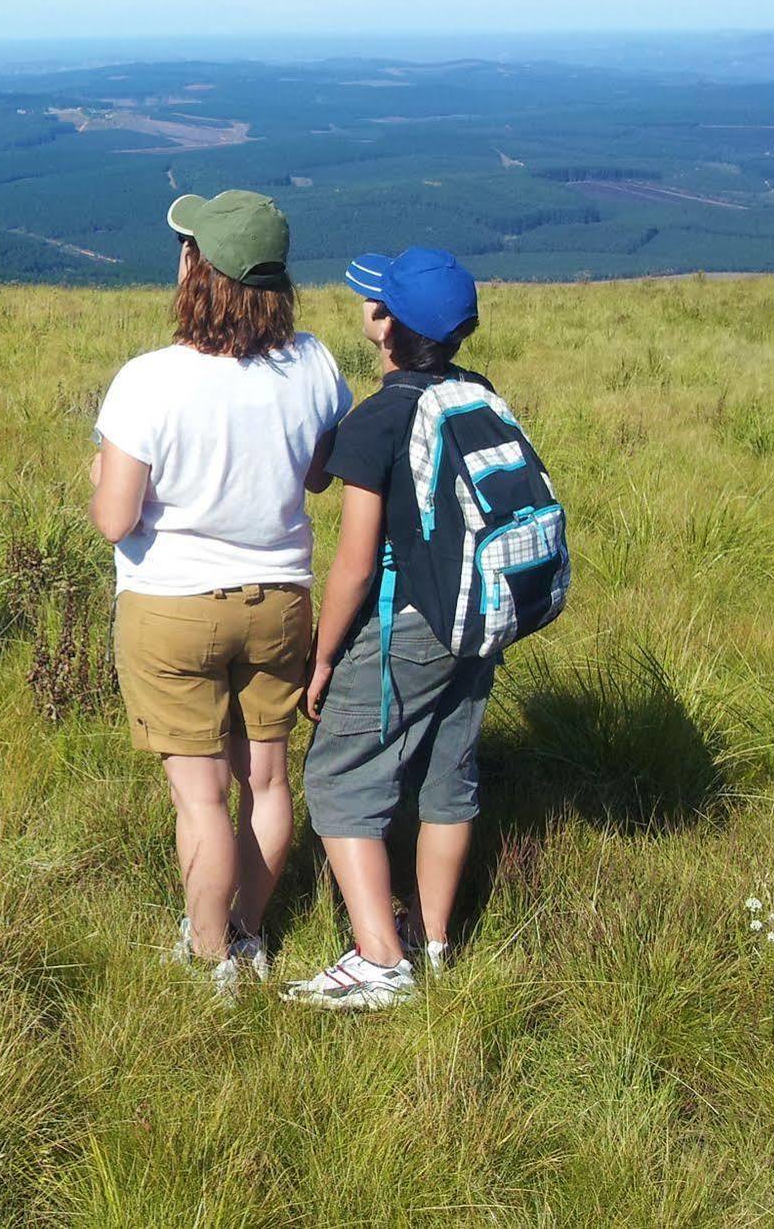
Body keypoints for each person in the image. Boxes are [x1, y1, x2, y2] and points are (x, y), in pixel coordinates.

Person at [90, 191, 353, 995]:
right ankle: (248, 930)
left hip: (169, 606)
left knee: (199, 794)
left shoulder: (148, 380)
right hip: (278, 599)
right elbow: (315, 474)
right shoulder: (313, 363)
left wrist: (101, 466)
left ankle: (211, 956)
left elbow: (113, 519)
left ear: (194, 269)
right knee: (266, 781)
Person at [284, 247, 493, 1011]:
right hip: (473, 615)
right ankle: (434, 945)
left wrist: (323, 656)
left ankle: (380, 959)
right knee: (447, 775)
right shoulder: (472, 391)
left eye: (374, 299)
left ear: (386, 326)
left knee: (336, 780)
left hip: (406, 622)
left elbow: (353, 564)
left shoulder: (377, 419)